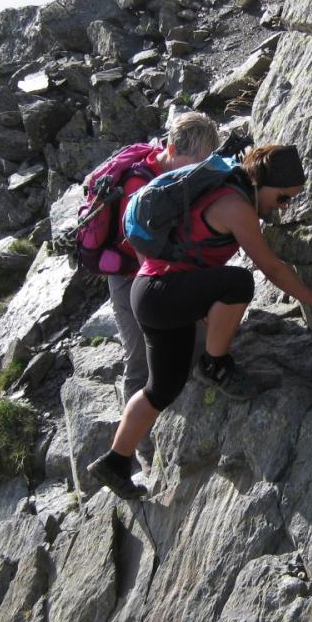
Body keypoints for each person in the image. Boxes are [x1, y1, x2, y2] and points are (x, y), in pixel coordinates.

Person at [87, 143, 312, 499]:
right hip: (161, 293)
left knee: (162, 388)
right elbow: (270, 267)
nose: (282, 209)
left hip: (151, 292)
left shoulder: (227, 182)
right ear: (263, 184)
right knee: (238, 282)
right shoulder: (235, 205)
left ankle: (114, 462)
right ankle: (215, 364)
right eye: (282, 198)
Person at [108, 111, 220, 403]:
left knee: (195, 343)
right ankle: (137, 443)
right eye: (193, 164)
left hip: (167, 264)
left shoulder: (178, 173)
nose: (195, 173)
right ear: (170, 150)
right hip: (130, 275)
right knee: (140, 360)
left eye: (203, 165)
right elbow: (146, 263)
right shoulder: (138, 189)